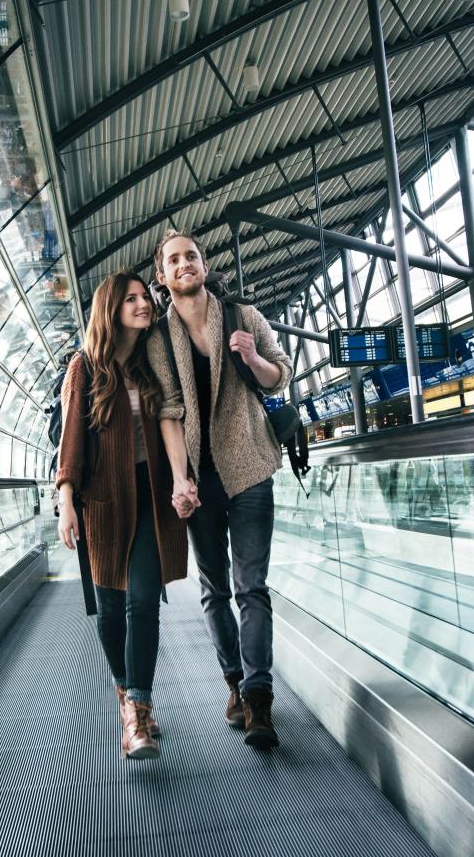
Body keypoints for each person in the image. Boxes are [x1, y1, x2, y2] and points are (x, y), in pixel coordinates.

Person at [147, 229, 293, 750]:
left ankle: (258, 698)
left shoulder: (244, 316)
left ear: (204, 265)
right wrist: (181, 477)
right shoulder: (159, 339)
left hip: (250, 465)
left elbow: (281, 376)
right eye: (174, 260)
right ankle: (233, 681)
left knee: (251, 586)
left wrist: (252, 358)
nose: (185, 264)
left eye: (192, 256)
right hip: (199, 479)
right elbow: (167, 409)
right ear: (162, 278)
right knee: (215, 589)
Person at [55, 272, 188, 760]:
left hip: (149, 500)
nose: (142, 304)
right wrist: (66, 500)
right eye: (130, 299)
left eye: (143, 297)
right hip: (103, 504)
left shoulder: (151, 365)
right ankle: (125, 693)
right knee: (111, 610)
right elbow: (71, 440)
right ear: (110, 309)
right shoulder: (86, 368)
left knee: (143, 604)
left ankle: (138, 710)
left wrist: (181, 480)